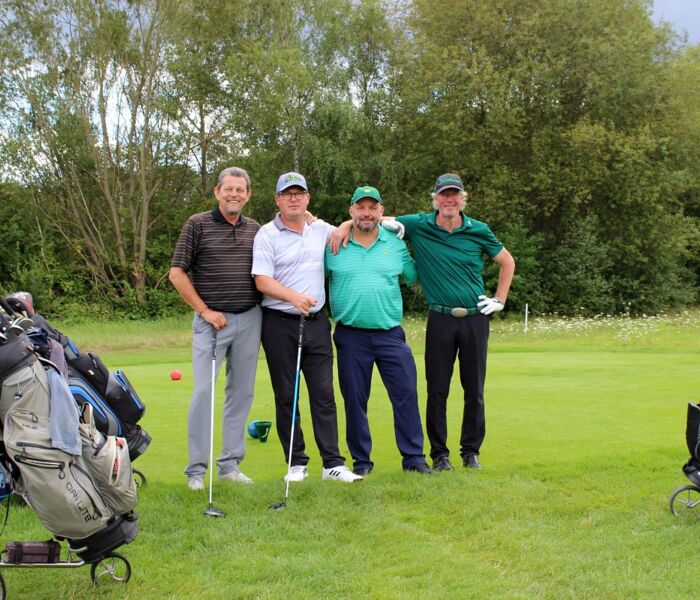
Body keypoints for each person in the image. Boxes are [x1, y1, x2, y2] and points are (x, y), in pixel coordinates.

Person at [391, 173, 515, 471]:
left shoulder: (478, 229)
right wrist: (345, 226)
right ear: (435, 199)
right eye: (444, 195)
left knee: (474, 389)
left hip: (475, 318)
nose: (449, 199)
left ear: (462, 198)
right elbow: (376, 220)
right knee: (437, 389)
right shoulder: (419, 224)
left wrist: (499, 299)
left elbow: (507, 261)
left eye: (454, 194)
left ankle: (470, 452)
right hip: (441, 318)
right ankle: (440, 455)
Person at [251, 172, 361, 484]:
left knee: (324, 393)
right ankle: (296, 463)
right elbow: (262, 280)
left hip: (317, 324)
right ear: (278, 199)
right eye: (288, 194)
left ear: (307, 198)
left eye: (299, 193)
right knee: (287, 395)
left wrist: (346, 224)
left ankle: (332, 464)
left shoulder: (321, 229)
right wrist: (293, 297)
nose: (294, 198)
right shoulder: (266, 234)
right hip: (279, 323)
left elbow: (369, 223)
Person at [325, 186, 431, 476]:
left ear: (381, 211)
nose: (366, 213)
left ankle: (414, 459)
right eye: (360, 207)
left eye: (372, 207)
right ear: (351, 211)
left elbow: (415, 276)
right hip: (350, 335)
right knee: (355, 400)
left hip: (390, 334)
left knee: (406, 395)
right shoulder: (334, 244)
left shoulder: (395, 244)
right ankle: (361, 462)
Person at [169, 166, 262, 491]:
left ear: (248, 195)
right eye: (229, 189)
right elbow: (177, 273)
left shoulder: (255, 229)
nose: (234, 194)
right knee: (203, 392)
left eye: (240, 190)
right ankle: (196, 471)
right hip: (212, 322)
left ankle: (230, 466)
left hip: (250, 318)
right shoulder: (197, 224)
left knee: (242, 392)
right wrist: (204, 310)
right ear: (217, 192)